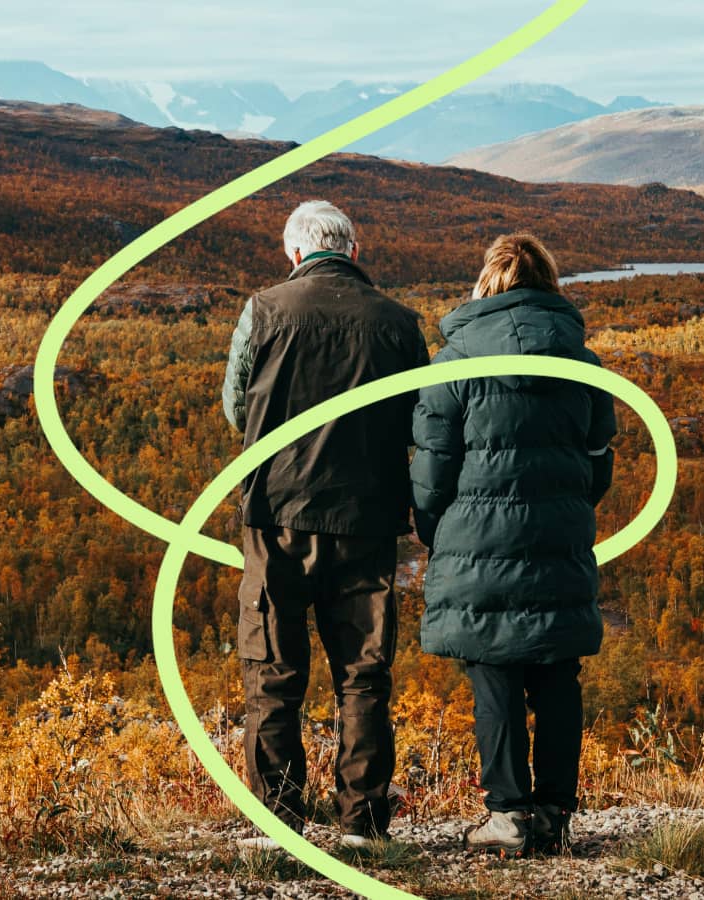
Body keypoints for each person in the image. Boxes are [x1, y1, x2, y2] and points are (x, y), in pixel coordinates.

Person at [222, 200, 429, 849]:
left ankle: (280, 820)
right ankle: (363, 824)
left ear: (293, 254)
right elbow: (422, 420)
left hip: (276, 517)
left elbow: (236, 408)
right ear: (355, 252)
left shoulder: (263, 311)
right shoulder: (399, 324)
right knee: (363, 674)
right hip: (366, 521)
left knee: (273, 671)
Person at [410, 233, 616, 858]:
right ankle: (554, 813)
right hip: (559, 538)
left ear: (487, 284)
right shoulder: (583, 363)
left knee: (493, 669)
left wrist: (435, 531)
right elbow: (598, 461)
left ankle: (507, 815)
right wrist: (567, 509)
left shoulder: (453, 365)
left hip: (476, 544)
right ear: (550, 284)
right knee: (557, 669)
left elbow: (432, 467)